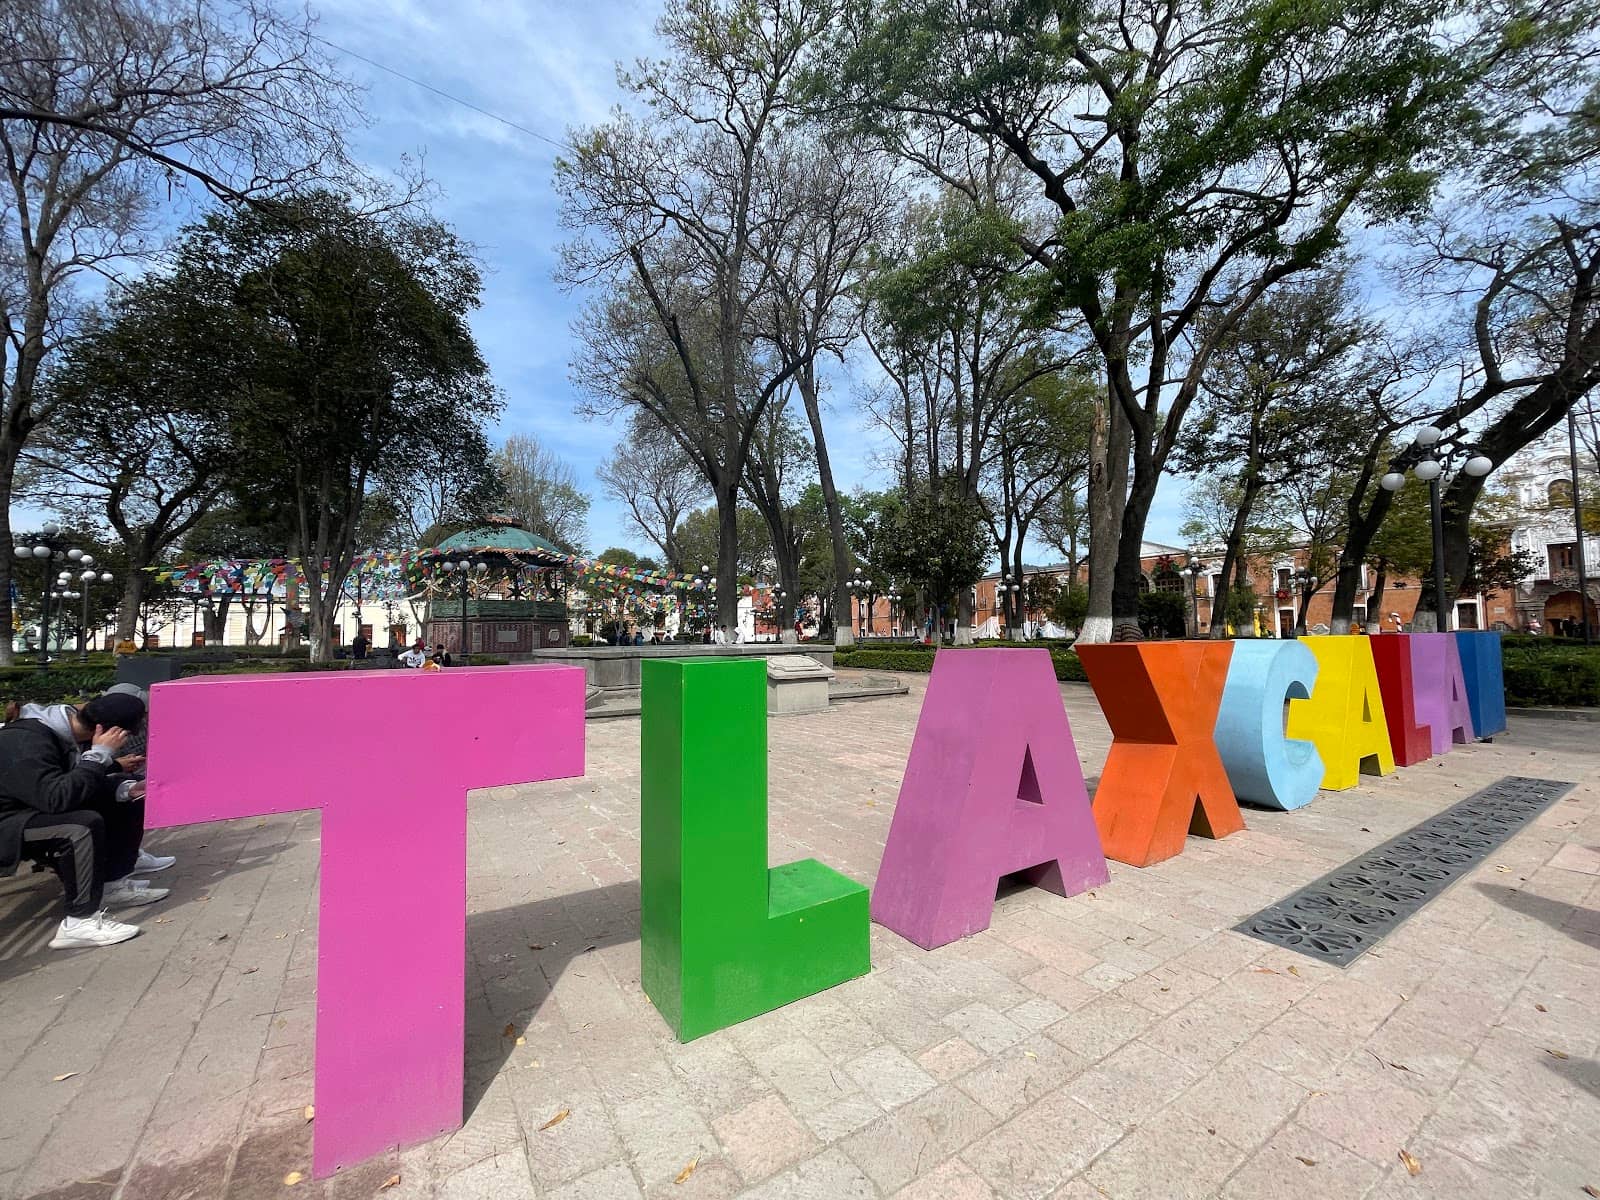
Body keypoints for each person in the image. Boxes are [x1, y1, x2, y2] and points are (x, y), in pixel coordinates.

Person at [0, 691, 172, 950]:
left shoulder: (65, 731)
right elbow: (57, 799)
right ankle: (78, 923)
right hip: (9, 821)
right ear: (108, 731)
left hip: (31, 808)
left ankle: (112, 886)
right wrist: (99, 753)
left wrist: (124, 789)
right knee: (80, 827)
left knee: (127, 795)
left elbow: (72, 783)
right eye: (123, 737)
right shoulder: (28, 741)